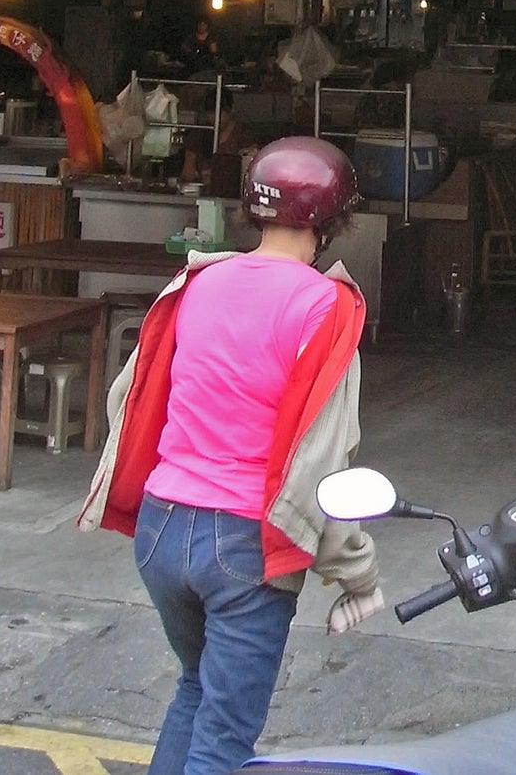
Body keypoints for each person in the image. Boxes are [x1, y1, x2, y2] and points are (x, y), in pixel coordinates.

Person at [78, 137, 384, 775]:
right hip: (242, 547)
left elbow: (125, 402)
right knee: (224, 738)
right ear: (331, 223)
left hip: (162, 530)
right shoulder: (322, 308)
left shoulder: (197, 282)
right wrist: (357, 575)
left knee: (196, 690)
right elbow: (322, 469)